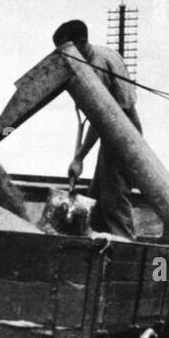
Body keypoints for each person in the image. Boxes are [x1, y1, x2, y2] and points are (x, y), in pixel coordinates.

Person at [53, 19, 141, 240]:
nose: (64, 57)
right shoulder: (107, 53)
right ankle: (98, 255)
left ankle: (126, 255)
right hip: (118, 135)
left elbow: (101, 122)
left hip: (122, 137)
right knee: (98, 199)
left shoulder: (97, 69)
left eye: (67, 50)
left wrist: (79, 157)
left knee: (114, 202)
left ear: (82, 42)